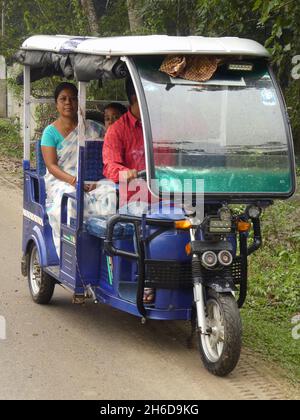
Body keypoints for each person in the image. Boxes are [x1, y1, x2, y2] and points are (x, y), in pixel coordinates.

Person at [41, 82, 116, 256]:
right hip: (62, 180)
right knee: (70, 199)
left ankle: (105, 249)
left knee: (111, 192)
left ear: (79, 102)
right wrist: (75, 181)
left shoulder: (93, 128)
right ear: (56, 104)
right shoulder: (49, 133)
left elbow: (105, 156)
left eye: (73, 99)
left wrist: (96, 181)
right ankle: (71, 251)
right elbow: (51, 166)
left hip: (93, 179)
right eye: (63, 99)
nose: (68, 102)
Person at [103, 78, 155, 304]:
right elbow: (110, 166)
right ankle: (147, 282)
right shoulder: (117, 130)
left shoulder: (158, 126)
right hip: (135, 199)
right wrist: (127, 172)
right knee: (144, 222)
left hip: (165, 195)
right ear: (136, 99)